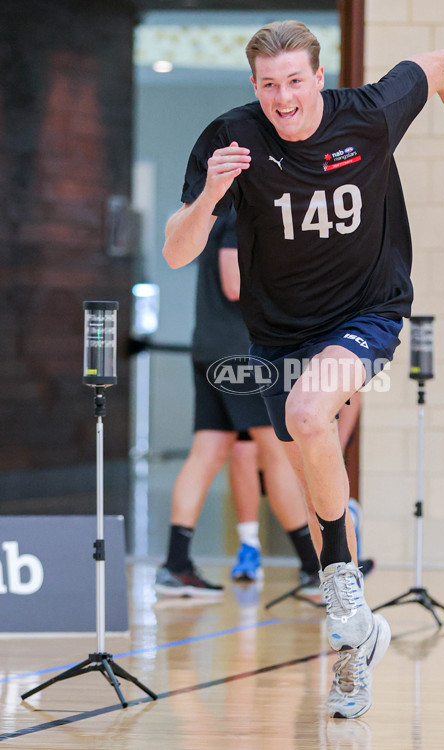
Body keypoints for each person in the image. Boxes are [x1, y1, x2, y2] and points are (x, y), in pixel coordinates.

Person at [162, 20, 444, 719]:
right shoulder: (232, 139)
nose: (282, 97)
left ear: (318, 78)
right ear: (254, 88)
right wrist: (206, 199)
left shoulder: (368, 115)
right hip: (279, 334)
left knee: (309, 414)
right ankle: (355, 642)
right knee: (311, 458)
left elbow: (437, 64)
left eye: (294, 81)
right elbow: (175, 251)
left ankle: (339, 580)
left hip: (366, 312)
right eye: (268, 85)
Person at [155, 207, 321, 596]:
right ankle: (312, 566)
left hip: (211, 347)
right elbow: (234, 282)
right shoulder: (236, 214)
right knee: (276, 453)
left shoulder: (222, 212)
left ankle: (176, 565)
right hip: (240, 353)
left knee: (208, 451)